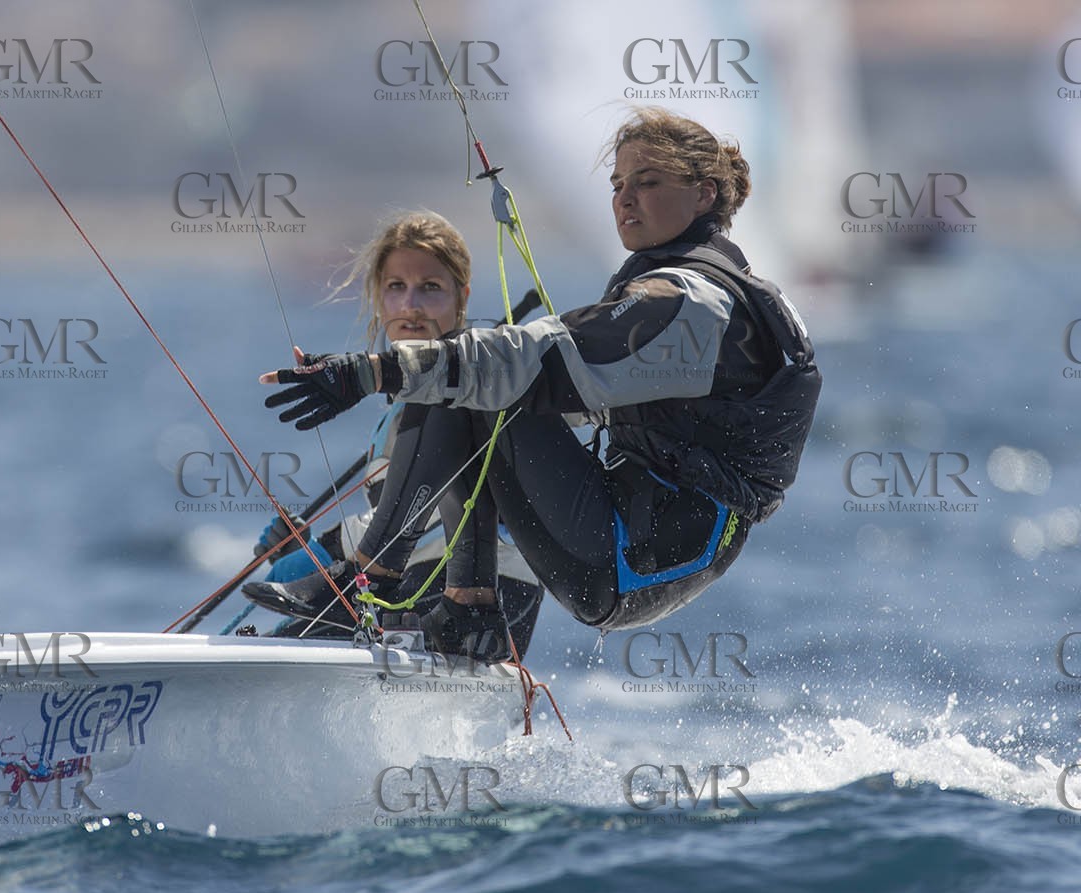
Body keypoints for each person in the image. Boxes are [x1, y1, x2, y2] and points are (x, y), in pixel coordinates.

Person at [249, 107, 821, 661]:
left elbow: (525, 364)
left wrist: (367, 373)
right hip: (649, 544)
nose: (624, 198)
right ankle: (466, 609)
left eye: (647, 182)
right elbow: (558, 398)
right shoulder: (712, 291)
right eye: (617, 184)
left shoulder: (691, 304)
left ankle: (368, 578)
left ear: (704, 194)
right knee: (469, 377)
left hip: (639, 556)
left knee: (474, 375)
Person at [243, 211, 546, 653]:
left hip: (491, 593)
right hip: (415, 587)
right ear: (378, 297)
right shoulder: (396, 411)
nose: (410, 305)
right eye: (396, 287)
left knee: (289, 644)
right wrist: (300, 553)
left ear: (462, 297)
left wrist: (326, 551)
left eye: (431, 287)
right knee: (280, 641)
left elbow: (430, 515)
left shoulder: (484, 381)